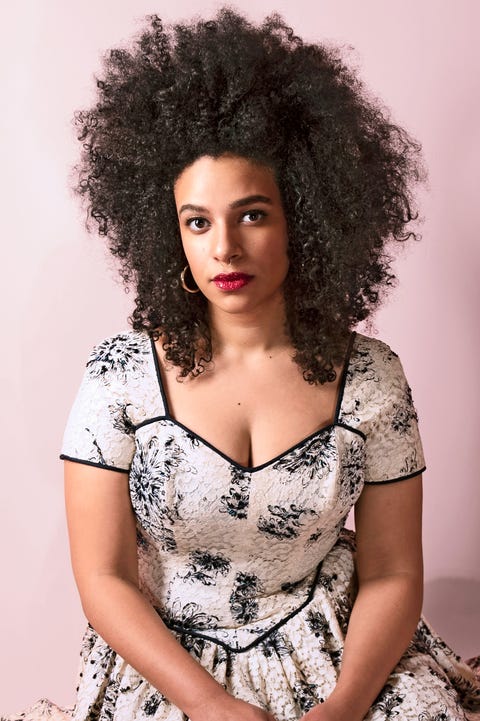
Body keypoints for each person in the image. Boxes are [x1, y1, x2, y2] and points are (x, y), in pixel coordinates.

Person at [3, 8, 480, 721]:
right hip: (171, 667)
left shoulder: (373, 378)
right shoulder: (120, 379)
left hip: (341, 651)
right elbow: (102, 577)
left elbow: (393, 571)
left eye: (252, 213)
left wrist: (347, 704)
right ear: (171, 235)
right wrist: (208, 703)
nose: (224, 246)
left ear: (308, 218)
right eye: (198, 221)